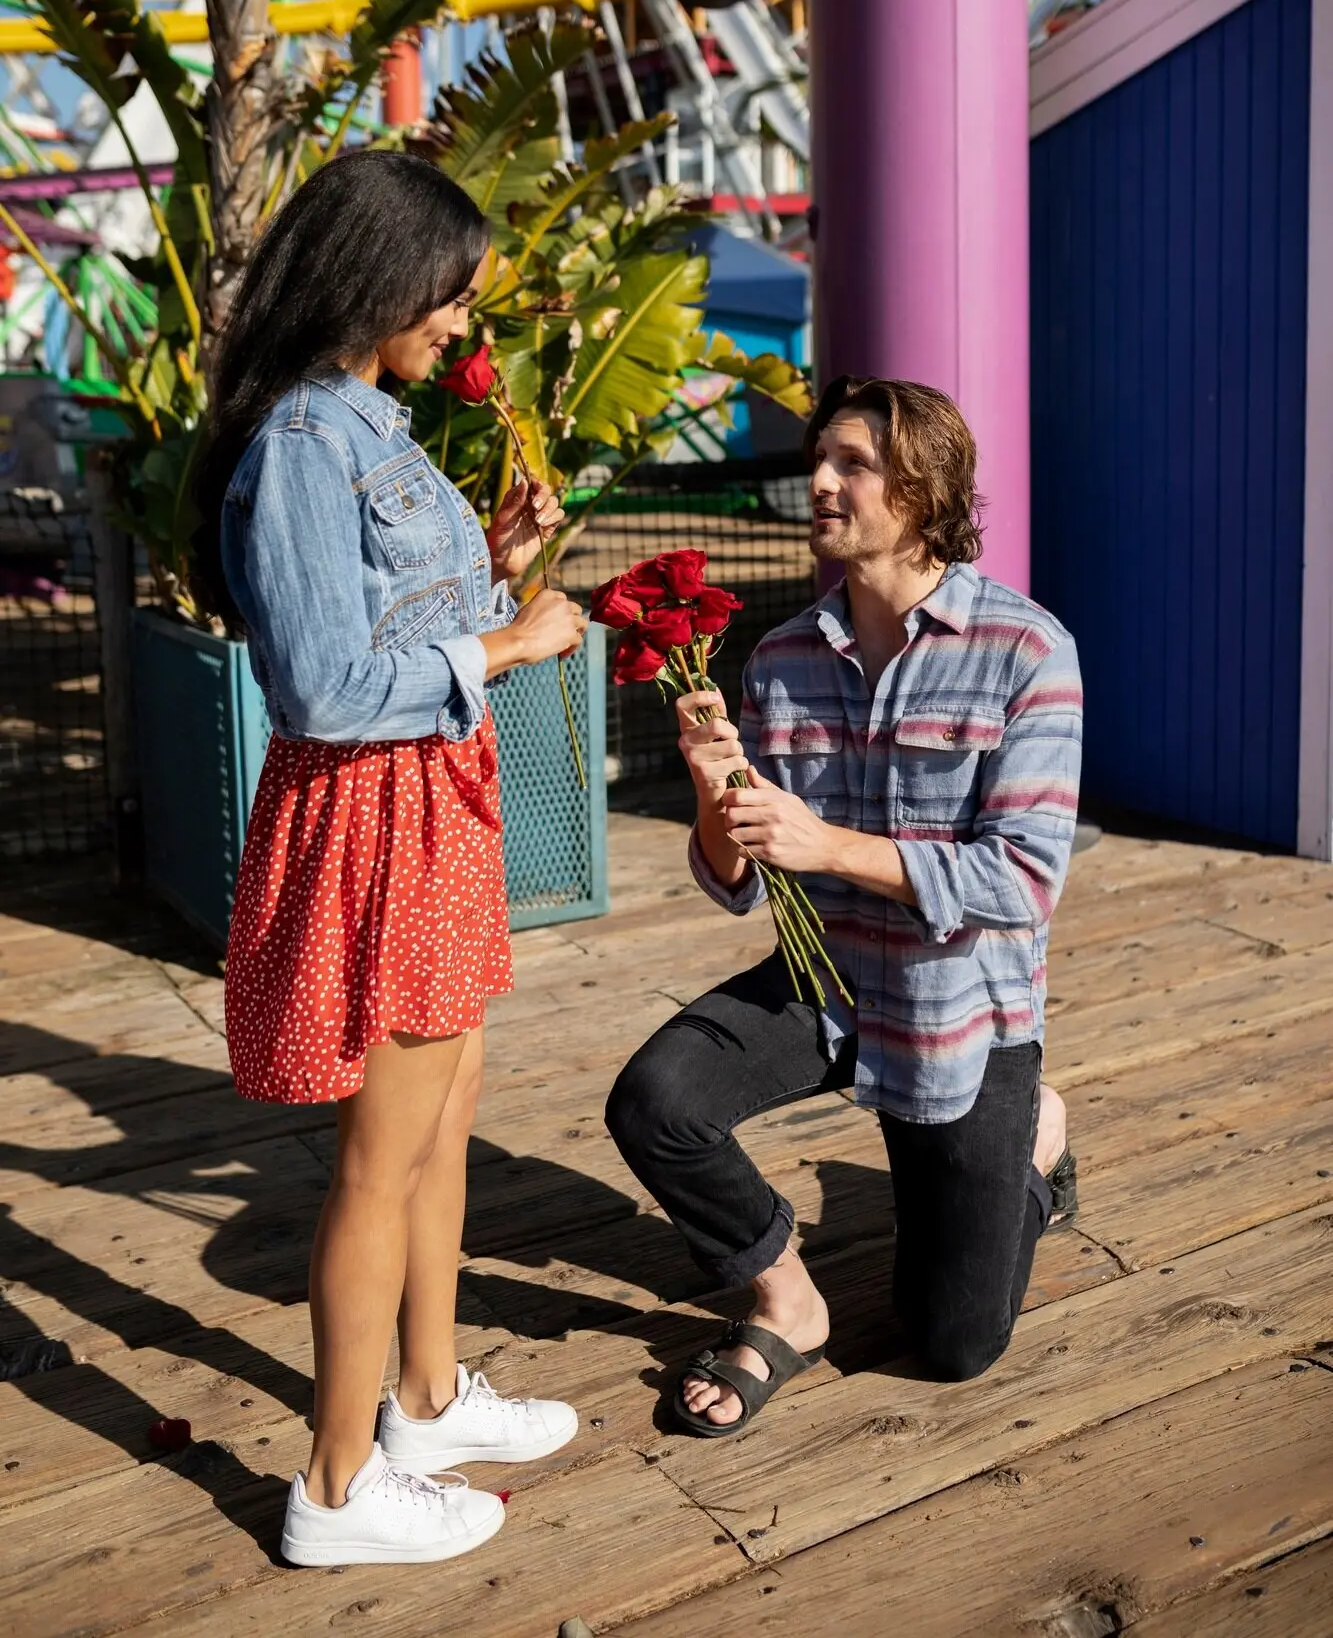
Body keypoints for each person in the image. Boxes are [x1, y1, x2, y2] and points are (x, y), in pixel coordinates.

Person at [193, 150, 588, 1565]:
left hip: (428, 801)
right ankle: (336, 1486)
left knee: (445, 1110)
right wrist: (510, 642)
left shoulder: (368, 419)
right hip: (374, 816)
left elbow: (386, 620)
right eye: (453, 298)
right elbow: (322, 688)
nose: (464, 326)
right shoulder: (305, 439)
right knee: (380, 1157)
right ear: (378, 278)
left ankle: (424, 1396)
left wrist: (491, 564)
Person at [606, 376, 1083, 1436]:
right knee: (656, 1101)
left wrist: (827, 843)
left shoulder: (1027, 652)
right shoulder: (781, 659)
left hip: (960, 1012)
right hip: (822, 982)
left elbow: (1021, 879)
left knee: (951, 1342)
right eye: (817, 460)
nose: (819, 481)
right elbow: (739, 884)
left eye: (851, 464)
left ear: (923, 488)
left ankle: (1034, 1148)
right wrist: (713, 789)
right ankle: (788, 1300)